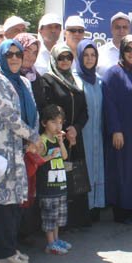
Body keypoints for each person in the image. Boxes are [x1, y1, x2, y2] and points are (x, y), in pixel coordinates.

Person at [0, 40, 39, 263]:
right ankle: (4, 252)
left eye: (18, 54)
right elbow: (8, 115)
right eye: (9, 55)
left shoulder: (24, 82)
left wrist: (33, 135)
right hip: (3, 149)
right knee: (4, 201)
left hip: (21, 148)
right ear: (1, 58)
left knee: (17, 200)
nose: (15, 58)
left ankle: (11, 247)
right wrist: (31, 135)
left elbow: (33, 111)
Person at [34, 43, 91, 229]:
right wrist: (64, 130)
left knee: (76, 176)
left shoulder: (75, 80)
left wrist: (76, 128)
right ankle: (59, 225)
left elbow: (85, 110)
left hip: (75, 136)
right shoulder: (48, 80)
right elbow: (48, 111)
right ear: (54, 59)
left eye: (69, 57)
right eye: (61, 58)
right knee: (59, 177)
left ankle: (77, 219)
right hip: (56, 138)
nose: (65, 61)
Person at [102, 36, 132, 224]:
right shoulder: (112, 73)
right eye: (128, 49)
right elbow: (109, 104)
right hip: (122, 130)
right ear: (121, 51)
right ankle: (121, 210)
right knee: (121, 170)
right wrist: (115, 130)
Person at [74, 39, 106, 219]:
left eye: (93, 55)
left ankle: (96, 205)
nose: (89, 59)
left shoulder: (99, 81)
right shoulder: (74, 79)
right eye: (85, 55)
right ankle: (82, 209)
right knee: (83, 168)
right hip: (82, 134)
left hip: (97, 134)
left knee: (96, 166)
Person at [35, 105, 70, 255]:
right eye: (54, 122)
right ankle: (50, 243)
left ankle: (56, 239)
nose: (58, 126)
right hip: (47, 186)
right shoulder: (42, 141)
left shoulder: (57, 139)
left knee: (58, 217)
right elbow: (37, 160)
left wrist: (61, 142)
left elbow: (65, 156)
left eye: (60, 122)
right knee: (49, 217)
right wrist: (49, 156)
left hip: (60, 184)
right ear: (44, 123)